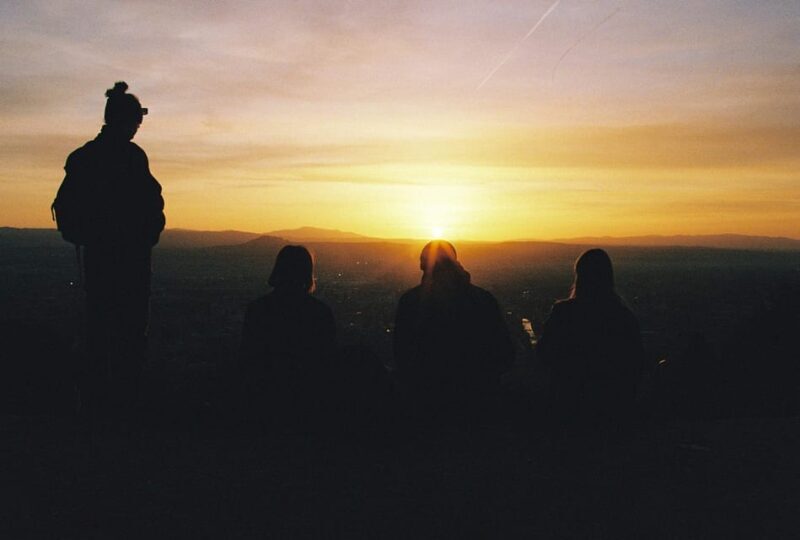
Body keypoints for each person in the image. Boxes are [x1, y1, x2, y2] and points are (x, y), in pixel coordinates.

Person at [53, 81, 165, 417]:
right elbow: (152, 205)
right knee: (129, 334)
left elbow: (68, 214)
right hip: (130, 262)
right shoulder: (131, 158)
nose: (137, 129)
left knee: (99, 330)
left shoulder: (84, 159)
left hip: (99, 260)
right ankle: (124, 406)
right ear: (126, 121)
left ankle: (97, 404)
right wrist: (145, 235)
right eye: (136, 122)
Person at [393, 240, 514, 416]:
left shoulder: (411, 302)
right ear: (455, 263)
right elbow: (505, 353)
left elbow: (402, 355)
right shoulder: (483, 300)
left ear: (423, 265)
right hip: (480, 403)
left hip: (426, 404)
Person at [536, 249, 643, 427]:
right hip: (612, 408)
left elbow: (544, 352)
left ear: (579, 276)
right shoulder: (622, 316)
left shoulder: (564, 313)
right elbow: (635, 362)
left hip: (567, 403)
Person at [240, 245, 337, 425]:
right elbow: (327, 361)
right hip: (309, 403)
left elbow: (248, 356)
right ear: (307, 273)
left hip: (263, 400)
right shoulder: (320, 313)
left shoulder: (258, 309)